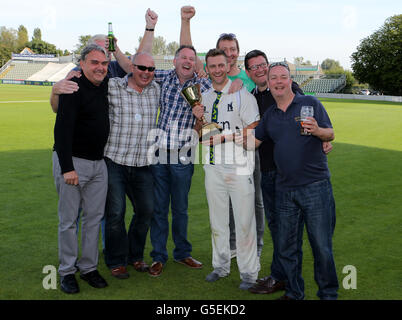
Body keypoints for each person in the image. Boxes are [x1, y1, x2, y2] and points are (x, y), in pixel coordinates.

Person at [244, 50, 334, 295]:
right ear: (268, 82)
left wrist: (318, 131)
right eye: (274, 78)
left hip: (314, 186)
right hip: (284, 188)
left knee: (321, 246)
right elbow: (253, 141)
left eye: (282, 77)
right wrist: (223, 135)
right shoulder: (270, 116)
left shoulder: (309, 103)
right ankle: (294, 293)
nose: (278, 82)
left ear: (290, 79)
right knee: (287, 246)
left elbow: (330, 133)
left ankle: (328, 294)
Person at [179, 5, 264, 260]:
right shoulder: (208, 76)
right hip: (219, 155)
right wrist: (185, 22)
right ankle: (232, 247)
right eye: (224, 50)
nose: (229, 54)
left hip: (248, 148)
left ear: (237, 53)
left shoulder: (248, 77)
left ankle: (255, 247)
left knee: (254, 201)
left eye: (232, 50)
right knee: (224, 203)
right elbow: (189, 54)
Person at [139, 9, 210, 277]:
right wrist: (148, 29)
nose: (188, 61)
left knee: (180, 208)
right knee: (159, 208)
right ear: (175, 59)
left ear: (196, 63)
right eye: (184, 57)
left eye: (192, 58)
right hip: (158, 153)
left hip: (183, 155)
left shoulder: (201, 84)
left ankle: (182, 253)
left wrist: (198, 118)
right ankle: (158, 256)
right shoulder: (161, 78)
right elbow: (137, 66)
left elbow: (207, 120)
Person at [192, 49, 261, 290]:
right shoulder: (206, 96)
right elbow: (201, 136)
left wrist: (224, 138)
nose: (217, 70)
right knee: (217, 221)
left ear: (227, 64)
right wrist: (198, 119)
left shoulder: (242, 93)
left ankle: (249, 272)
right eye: (212, 66)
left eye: (221, 65)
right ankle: (220, 266)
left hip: (240, 165)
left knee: (244, 221)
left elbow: (254, 128)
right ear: (208, 69)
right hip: (213, 167)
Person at [52, 44, 110, 294]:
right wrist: (67, 168)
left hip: (99, 164)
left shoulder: (105, 83)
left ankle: (88, 268)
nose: (100, 67)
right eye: (94, 62)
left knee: (94, 219)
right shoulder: (72, 86)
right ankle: (67, 271)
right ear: (82, 64)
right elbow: (62, 130)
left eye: (104, 63)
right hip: (73, 163)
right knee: (68, 221)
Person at [103, 52, 160, 279]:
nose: (146, 73)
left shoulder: (156, 89)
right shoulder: (113, 86)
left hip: (143, 164)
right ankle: (116, 260)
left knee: (146, 210)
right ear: (131, 67)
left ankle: (135, 256)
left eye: (150, 69)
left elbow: (184, 73)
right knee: (115, 213)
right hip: (114, 160)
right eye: (141, 68)